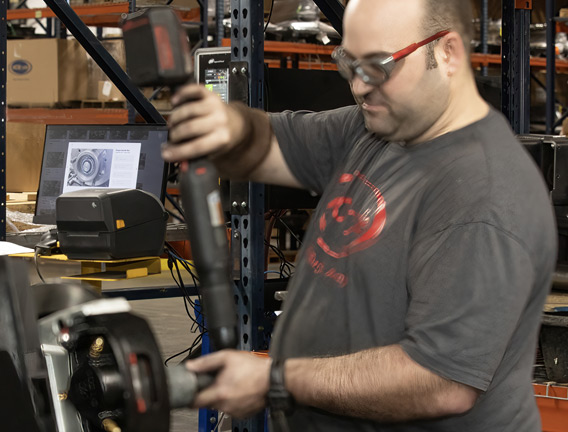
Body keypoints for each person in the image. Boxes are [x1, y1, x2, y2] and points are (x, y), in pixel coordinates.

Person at [165, 0, 557, 430]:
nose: (358, 86)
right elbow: (274, 144)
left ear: (447, 53)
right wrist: (230, 127)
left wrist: (275, 378)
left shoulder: (483, 194)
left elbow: (440, 381)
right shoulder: (380, 127)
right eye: (348, 62)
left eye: (377, 66)